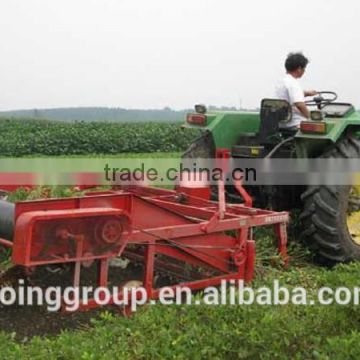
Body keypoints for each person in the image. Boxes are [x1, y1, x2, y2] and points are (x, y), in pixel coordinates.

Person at [275, 52, 317, 128]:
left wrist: (306, 93)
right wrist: (311, 118)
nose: (304, 71)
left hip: (281, 122)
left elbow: (287, 96)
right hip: (295, 122)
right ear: (299, 69)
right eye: (304, 68)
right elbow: (299, 104)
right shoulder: (293, 83)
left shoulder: (281, 82)